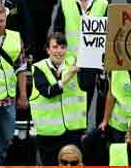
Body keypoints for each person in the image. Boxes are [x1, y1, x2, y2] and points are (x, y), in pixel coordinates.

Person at [54, 0, 108, 124]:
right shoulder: (65, 1)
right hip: (70, 60)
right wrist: (58, 56)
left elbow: (108, 32)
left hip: (92, 60)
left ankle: (83, 129)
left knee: (87, 96)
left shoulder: (102, 4)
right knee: (71, 98)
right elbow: (58, 30)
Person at [30, 33, 85, 165]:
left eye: (62, 47)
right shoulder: (38, 68)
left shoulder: (74, 63)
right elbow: (48, 92)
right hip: (49, 134)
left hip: (72, 131)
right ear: (48, 49)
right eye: (55, 47)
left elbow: (87, 84)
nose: (59, 51)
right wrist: (65, 79)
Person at [0, 2, 27, 162]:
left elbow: (21, 68)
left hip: (9, 97)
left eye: (2, 20)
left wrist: (23, 95)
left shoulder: (16, 38)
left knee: (7, 136)